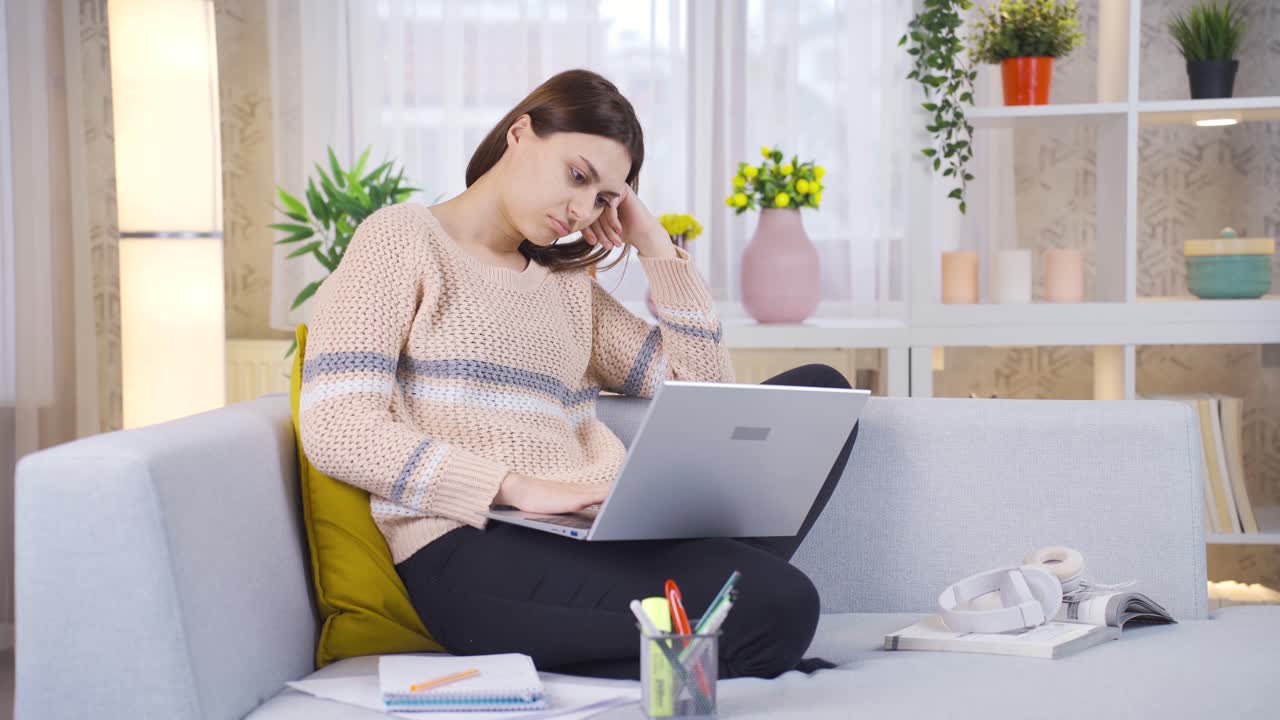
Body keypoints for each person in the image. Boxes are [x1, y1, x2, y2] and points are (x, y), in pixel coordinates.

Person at [298, 68, 860, 680]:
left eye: (603, 199)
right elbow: (337, 426)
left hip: (589, 534)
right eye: (577, 176)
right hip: (470, 546)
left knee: (820, 391)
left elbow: (706, 392)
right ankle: (717, 630)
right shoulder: (401, 239)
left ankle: (696, 630)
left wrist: (655, 248)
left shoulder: (567, 286)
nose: (581, 209)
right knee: (779, 602)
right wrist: (515, 487)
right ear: (521, 133)